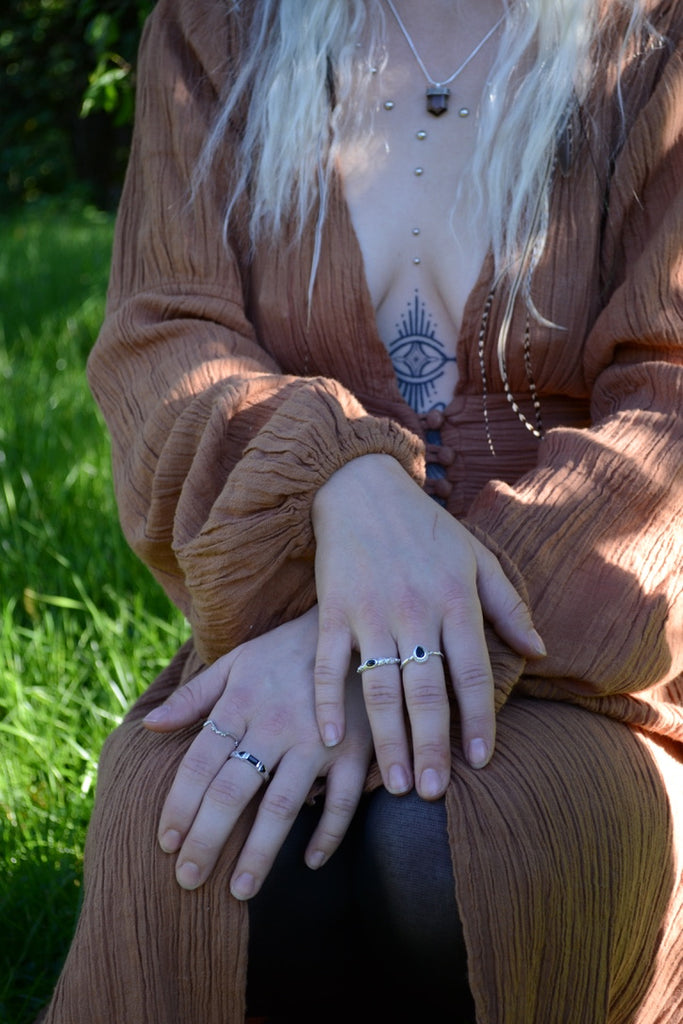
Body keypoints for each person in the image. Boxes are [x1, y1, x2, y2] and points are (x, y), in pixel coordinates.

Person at [38, 0, 683, 1020]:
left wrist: (397, 638)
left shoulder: (659, 38)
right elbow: (165, 336)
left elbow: (669, 401)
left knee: (455, 849)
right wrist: (338, 480)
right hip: (288, 611)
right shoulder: (218, 27)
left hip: (587, 649)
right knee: (193, 840)